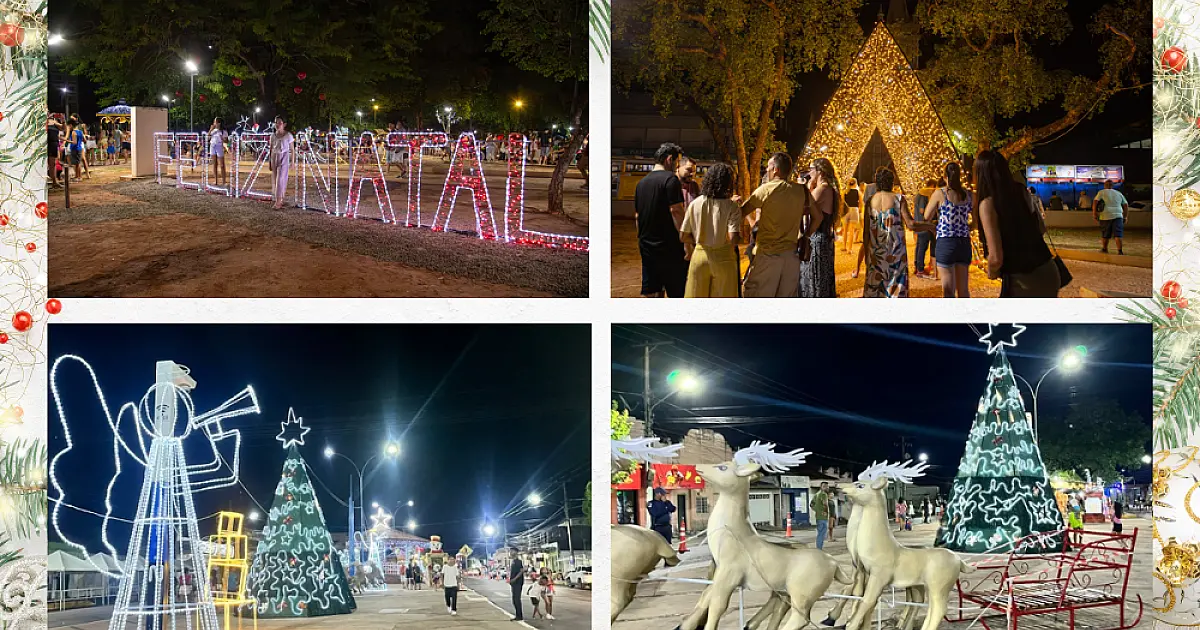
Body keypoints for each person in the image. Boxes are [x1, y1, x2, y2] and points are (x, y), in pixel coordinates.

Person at [974, 150, 1060, 297]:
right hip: (1049, 270)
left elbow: (996, 258)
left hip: (1023, 279)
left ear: (980, 174)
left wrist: (992, 272)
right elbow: (1041, 228)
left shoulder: (987, 204)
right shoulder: (1022, 191)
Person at [741, 152, 819, 298]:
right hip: (791, 257)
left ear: (775, 169)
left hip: (767, 256)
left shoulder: (766, 189)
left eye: (768, 167)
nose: (767, 171)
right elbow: (818, 216)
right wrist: (806, 235)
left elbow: (740, 213)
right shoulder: (801, 190)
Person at [862, 168, 930, 297]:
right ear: (891, 182)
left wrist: (867, 254)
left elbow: (866, 233)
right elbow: (911, 224)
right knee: (896, 291)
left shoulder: (870, 202)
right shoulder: (898, 199)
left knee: (875, 290)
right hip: (896, 253)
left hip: (876, 254)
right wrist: (930, 226)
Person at [680, 162, 742, 298]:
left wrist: (698, 239)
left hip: (700, 257)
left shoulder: (695, 203)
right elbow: (733, 239)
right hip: (724, 258)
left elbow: (683, 236)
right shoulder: (732, 207)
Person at [635, 143, 688, 297]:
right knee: (676, 291)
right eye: (677, 162)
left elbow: (637, 217)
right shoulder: (671, 180)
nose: (677, 166)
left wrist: (642, 238)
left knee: (652, 291)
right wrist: (686, 237)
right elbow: (676, 211)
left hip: (646, 246)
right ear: (669, 159)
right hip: (669, 248)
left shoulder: (641, 184)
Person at [923, 162, 973, 298]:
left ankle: (951, 318)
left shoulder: (940, 193)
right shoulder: (968, 195)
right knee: (963, 290)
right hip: (963, 242)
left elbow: (926, 216)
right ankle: (966, 318)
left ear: (945, 176)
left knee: (948, 291)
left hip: (946, 242)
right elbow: (976, 220)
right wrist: (966, 226)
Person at [799, 157, 841, 298]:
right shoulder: (829, 189)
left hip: (817, 239)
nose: (809, 172)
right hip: (825, 239)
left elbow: (803, 207)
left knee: (815, 278)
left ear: (820, 172)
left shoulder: (822, 189)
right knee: (823, 277)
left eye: (811, 169)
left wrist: (805, 187)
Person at [1093, 179, 1129, 255]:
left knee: (1105, 234)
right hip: (1118, 215)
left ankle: (1105, 249)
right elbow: (1125, 205)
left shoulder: (1101, 192)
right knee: (1118, 234)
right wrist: (1125, 216)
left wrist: (1095, 213)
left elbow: (1095, 202)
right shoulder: (1119, 193)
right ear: (1113, 186)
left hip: (1105, 215)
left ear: (1105, 185)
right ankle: (1120, 251)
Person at [913, 179, 937, 278]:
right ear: (931, 185)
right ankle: (920, 269)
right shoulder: (924, 195)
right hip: (923, 224)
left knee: (919, 246)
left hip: (918, 224)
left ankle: (917, 267)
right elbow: (923, 210)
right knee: (923, 247)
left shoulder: (919, 194)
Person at [269, 116, 294, 210]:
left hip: (284, 156)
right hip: (274, 156)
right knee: (275, 179)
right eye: (276, 122)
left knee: (281, 178)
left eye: (279, 122)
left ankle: (278, 201)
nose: (277, 124)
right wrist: (269, 163)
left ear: (284, 124)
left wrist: (292, 162)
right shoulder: (272, 136)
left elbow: (292, 149)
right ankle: (280, 197)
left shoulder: (288, 135)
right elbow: (271, 149)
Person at [842, 177, 861, 254]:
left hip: (846, 210)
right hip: (854, 210)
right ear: (856, 183)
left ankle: (844, 246)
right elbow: (861, 202)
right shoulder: (857, 192)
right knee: (852, 230)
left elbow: (842, 202)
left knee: (845, 230)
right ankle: (850, 249)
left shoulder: (845, 192)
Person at [811, 482, 832, 550]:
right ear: (822, 487)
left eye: (827, 486)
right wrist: (825, 512)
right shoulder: (823, 494)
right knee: (822, 534)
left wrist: (817, 510)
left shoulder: (816, 494)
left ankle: (819, 548)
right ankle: (819, 549)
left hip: (818, 516)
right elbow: (825, 504)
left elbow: (811, 504)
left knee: (819, 533)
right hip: (823, 517)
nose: (827, 488)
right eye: (826, 486)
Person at [209, 117, 228, 187]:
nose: (214, 123)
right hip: (212, 146)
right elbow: (208, 137)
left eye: (215, 122)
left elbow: (226, 141)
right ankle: (216, 181)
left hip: (219, 147)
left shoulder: (224, 131)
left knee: (222, 165)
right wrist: (211, 129)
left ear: (219, 123)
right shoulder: (213, 130)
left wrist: (222, 138)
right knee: (215, 164)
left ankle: (224, 181)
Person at [508, 552, 525, 621]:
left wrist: (514, 579)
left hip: (518, 583)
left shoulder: (518, 561)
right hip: (514, 583)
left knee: (517, 599)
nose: (510, 553)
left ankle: (519, 616)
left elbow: (521, 571)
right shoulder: (513, 562)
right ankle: (517, 615)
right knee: (514, 600)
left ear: (515, 552)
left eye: (512, 551)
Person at [47, 116, 62, 189]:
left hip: (53, 145)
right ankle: (54, 181)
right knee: (51, 164)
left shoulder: (55, 123)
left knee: (53, 164)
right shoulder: (43, 122)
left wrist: (63, 121)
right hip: (46, 144)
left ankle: (54, 181)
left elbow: (63, 128)